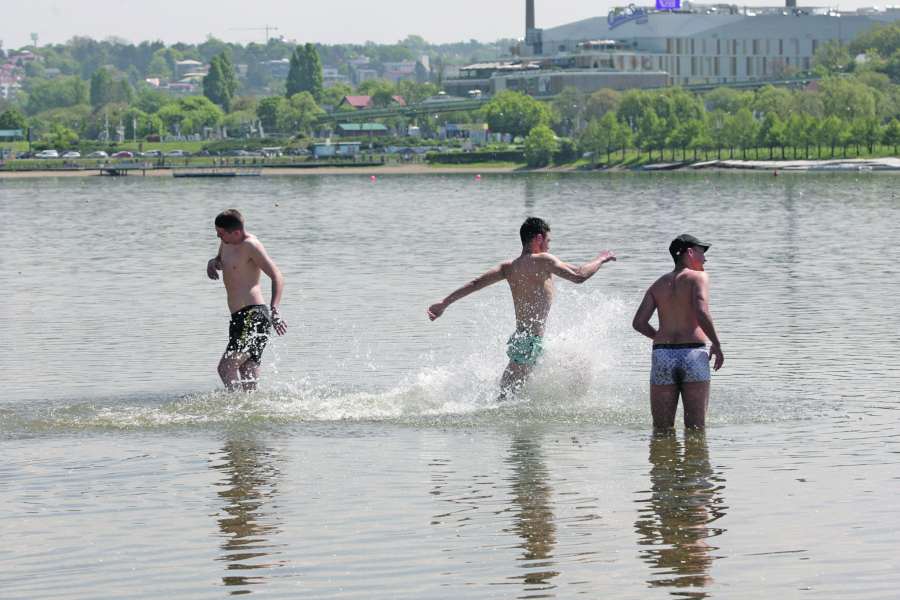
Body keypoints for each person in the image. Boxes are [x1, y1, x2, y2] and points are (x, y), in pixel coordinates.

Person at [428, 217, 616, 399]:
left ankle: (562, 409)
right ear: (539, 239)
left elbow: (475, 283)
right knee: (503, 403)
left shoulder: (509, 267)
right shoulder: (544, 261)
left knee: (582, 365)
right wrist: (602, 258)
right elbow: (579, 276)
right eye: (548, 241)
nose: (549, 246)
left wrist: (445, 303)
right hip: (528, 345)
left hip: (534, 342)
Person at [632, 234, 724, 429]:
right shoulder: (700, 277)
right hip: (692, 353)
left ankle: (664, 458)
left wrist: (660, 337)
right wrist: (717, 344)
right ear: (689, 253)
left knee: (662, 429)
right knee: (696, 429)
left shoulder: (657, 284)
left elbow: (639, 322)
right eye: (702, 251)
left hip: (662, 354)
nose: (705, 258)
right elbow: (701, 312)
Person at [207, 209, 287, 391]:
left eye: (221, 233)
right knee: (249, 383)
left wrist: (275, 308)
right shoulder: (226, 242)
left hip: (253, 316)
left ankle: (234, 410)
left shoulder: (251, 246)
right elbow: (221, 259)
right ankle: (255, 414)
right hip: (239, 319)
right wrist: (213, 262)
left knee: (225, 368)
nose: (218, 236)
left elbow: (277, 276)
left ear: (236, 232)